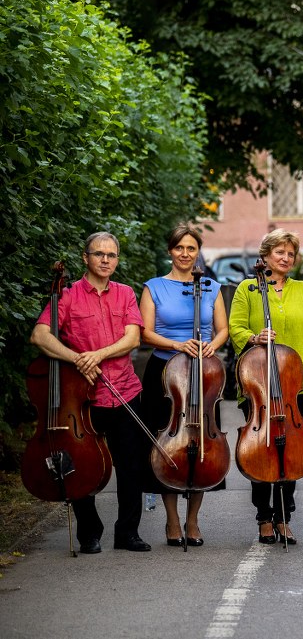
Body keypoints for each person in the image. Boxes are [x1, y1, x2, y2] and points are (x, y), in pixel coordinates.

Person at [30, 232, 151, 553]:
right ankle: (89, 531)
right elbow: (40, 336)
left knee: (130, 466)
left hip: (125, 391)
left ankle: (128, 533)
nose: (106, 260)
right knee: (82, 465)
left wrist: (97, 355)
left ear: (117, 260)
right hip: (82, 399)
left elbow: (132, 339)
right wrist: (75, 359)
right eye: (99, 254)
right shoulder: (67, 297)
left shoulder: (125, 293)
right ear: (86, 258)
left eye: (111, 255)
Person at [229, 229, 303, 545]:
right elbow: (235, 326)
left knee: (291, 451)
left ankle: (284, 515)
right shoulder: (248, 289)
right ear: (266, 256)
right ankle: (264, 516)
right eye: (279, 253)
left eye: (290, 254)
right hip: (258, 383)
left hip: (294, 385)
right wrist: (254, 337)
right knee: (261, 450)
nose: (286, 258)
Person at [140, 224, 230, 547]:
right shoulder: (153, 288)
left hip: (203, 372)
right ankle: (172, 520)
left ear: (198, 252)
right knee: (168, 443)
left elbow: (223, 329)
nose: (185, 254)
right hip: (166, 371)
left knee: (202, 443)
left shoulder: (211, 287)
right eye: (180, 248)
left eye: (191, 248)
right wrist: (178, 346)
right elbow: (145, 333)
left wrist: (212, 346)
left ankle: (193, 520)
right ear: (170, 251)